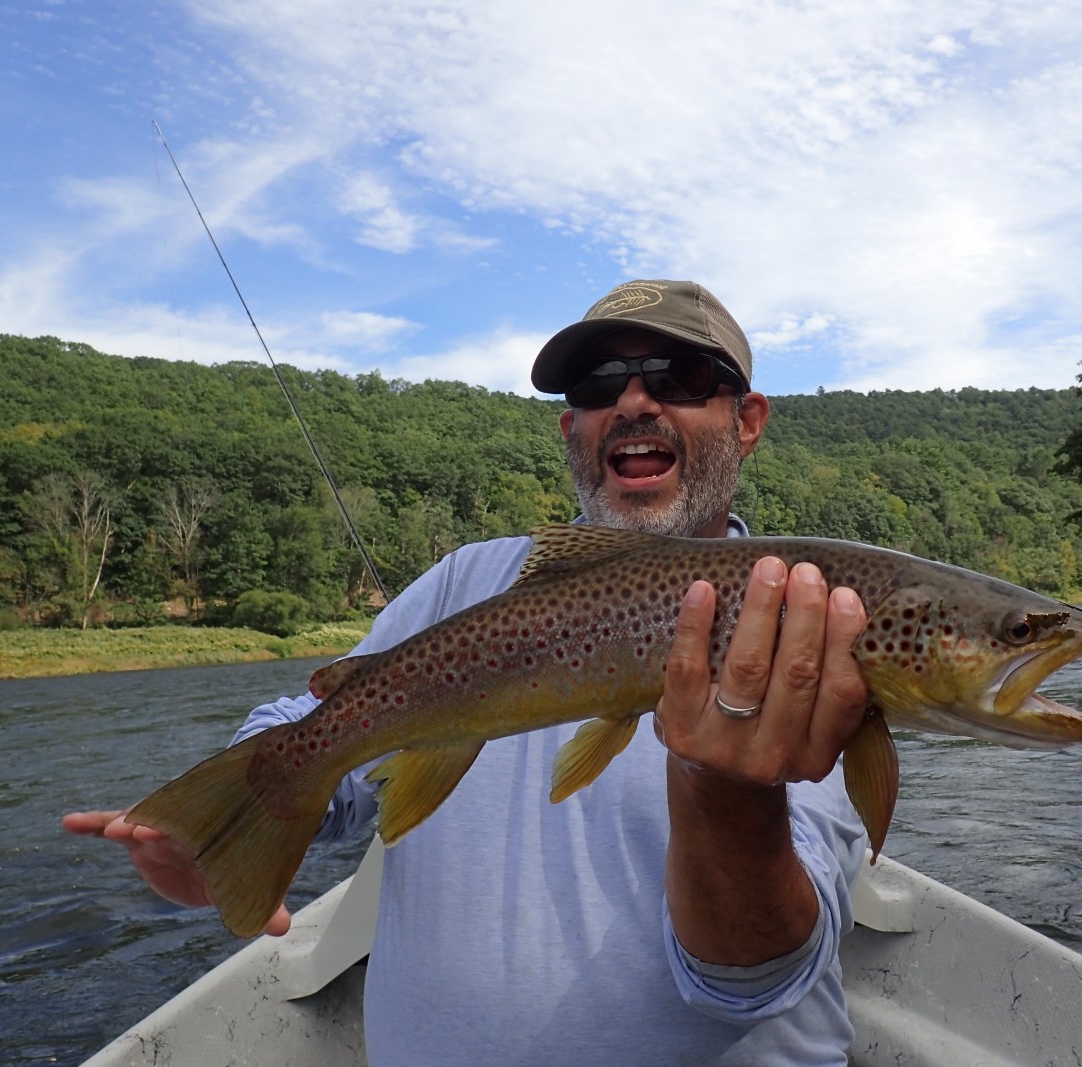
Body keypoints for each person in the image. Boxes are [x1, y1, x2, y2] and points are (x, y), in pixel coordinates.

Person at [64, 279, 873, 1065]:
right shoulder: (470, 580)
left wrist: (727, 791)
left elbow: (755, 979)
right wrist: (224, 826)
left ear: (749, 419)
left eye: (682, 377)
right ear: (571, 430)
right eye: (599, 385)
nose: (634, 402)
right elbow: (328, 751)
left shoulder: (796, 615)